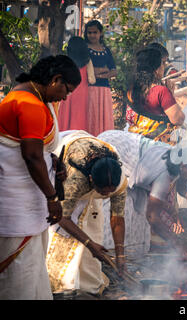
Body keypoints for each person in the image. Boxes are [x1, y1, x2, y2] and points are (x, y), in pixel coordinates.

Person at [0, 55, 80, 300]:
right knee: (20, 271)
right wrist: (52, 197)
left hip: (23, 200)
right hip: (18, 202)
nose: (65, 98)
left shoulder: (26, 96)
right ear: (55, 79)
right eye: (66, 90)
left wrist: (53, 161)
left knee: (30, 266)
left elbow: (34, 149)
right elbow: (32, 156)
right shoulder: (30, 104)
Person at [98, 130, 187, 256]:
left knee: (137, 215)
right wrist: (178, 246)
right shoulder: (165, 173)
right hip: (114, 148)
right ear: (185, 165)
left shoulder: (177, 160)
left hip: (126, 150)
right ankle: (108, 255)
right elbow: (152, 216)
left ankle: (132, 252)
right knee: (117, 207)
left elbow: (156, 202)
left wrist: (171, 208)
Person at [46, 131, 127, 296]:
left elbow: (117, 218)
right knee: (61, 237)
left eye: (109, 193)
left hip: (92, 172)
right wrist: (90, 245)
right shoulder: (76, 181)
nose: (105, 196)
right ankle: (60, 286)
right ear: (91, 180)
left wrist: (120, 253)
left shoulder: (118, 181)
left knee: (92, 227)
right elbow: (63, 218)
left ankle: (87, 286)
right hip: (65, 176)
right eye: (102, 192)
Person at [126, 48, 185, 145]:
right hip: (158, 144)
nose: (164, 66)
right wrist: (171, 95)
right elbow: (178, 119)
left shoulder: (131, 89)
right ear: (156, 69)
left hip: (135, 140)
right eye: (162, 63)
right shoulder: (161, 91)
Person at [84, 20, 116, 136]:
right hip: (89, 89)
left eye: (95, 32)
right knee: (91, 117)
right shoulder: (84, 49)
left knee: (104, 118)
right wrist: (104, 69)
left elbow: (114, 71)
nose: (92, 35)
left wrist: (99, 73)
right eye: (89, 32)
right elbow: (85, 70)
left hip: (104, 90)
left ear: (101, 33)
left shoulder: (106, 50)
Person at [58, 36, 96, 132]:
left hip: (67, 91)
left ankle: (64, 136)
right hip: (82, 92)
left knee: (66, 115)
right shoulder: (87, 61)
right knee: (80, 115)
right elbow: (92, 80)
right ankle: (79, 136)